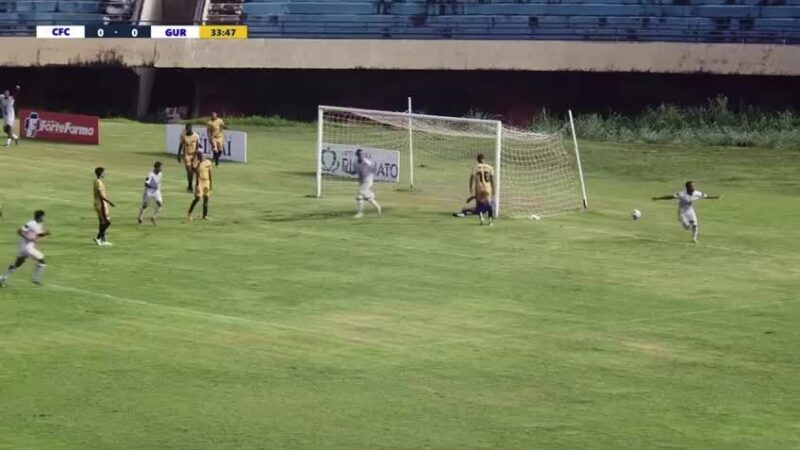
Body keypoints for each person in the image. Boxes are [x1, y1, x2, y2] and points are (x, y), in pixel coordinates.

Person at [653, 181, 722, 243]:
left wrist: (715, 197)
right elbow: (671, 197)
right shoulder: (682, 194)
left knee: (694, 225)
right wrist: (659, 198)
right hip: (682, 211)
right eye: (691, 186)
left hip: (690, 210)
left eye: (693, 186)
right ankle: (685, 224)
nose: (693, 188)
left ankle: (694, 239)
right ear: (687, 187)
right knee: (686, 227)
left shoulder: (696, 193)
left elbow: (706, 196)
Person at [0, 210, 49, 286]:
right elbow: (19, 231)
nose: (44, 218)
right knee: (42, 261)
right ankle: (36, 279)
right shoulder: (30, 223)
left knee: (17, 264)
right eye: (43, 216)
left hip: (26, 247)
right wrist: (27, 238)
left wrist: (45, 234)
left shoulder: (39, 224)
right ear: (40, 217)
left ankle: (2, 279)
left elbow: (37, 235)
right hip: (27, 247)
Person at [351, 149, 381, 219]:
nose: (361, 156)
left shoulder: (367, 162)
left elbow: (374, 168)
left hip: (368, 180)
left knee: (361, 191)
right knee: (360, 197)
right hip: (362, 181)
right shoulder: (355, 163)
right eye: (359, 154)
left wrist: (371, 173)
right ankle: (377, 206)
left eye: (362, 154)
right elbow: (355, 172)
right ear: (357, 155)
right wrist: (350, 172)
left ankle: (360, 213)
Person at [469, 153, 496, 226]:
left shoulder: (475, 167)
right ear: (484, 159)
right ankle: (490, 221)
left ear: (477, 160)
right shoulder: (490, 167)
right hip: (488, 188)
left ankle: (481, 218)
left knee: (479, 204)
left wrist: (470, 187)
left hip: (479, 188)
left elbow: (472, 177)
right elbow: (492, 179)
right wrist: (493, 189)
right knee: (489, 204)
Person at [93, 167, 115, 246]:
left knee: (101, 222)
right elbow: (100, 195)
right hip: (100, 204)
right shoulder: (98, 182)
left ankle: (103, 239)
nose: (105, 174)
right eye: (104, 172)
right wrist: (109, 202)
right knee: (107, 222)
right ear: (101, 173)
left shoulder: (97, 181)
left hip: (99, 203)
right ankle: (98, 238)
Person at [188, 151, 212, 221]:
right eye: (198, 156)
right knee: (197, 198)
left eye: (200, 155)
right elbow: (195, 173)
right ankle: (189, 213)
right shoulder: (197, 164)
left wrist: (211, 184)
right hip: (200, 182)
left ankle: (205, 215)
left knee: (206, 198)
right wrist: (196, 186)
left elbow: (210, 173)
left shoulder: (208, 162)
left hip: (207, 182)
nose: (199, 157)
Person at [177, 124, 200, 191]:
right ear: (186, 129)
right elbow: (181, 145)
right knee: (189, 171)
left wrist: (197, 155)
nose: (189, 130)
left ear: (191, 129)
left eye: (190, 129)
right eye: (187, 129)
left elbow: (198, 146)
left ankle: (197, 185)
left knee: (196, 171)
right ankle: (190, 185)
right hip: (187, 155)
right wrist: (178, 155)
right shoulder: (183, 136)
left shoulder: (196, 136)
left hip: (195, 154)